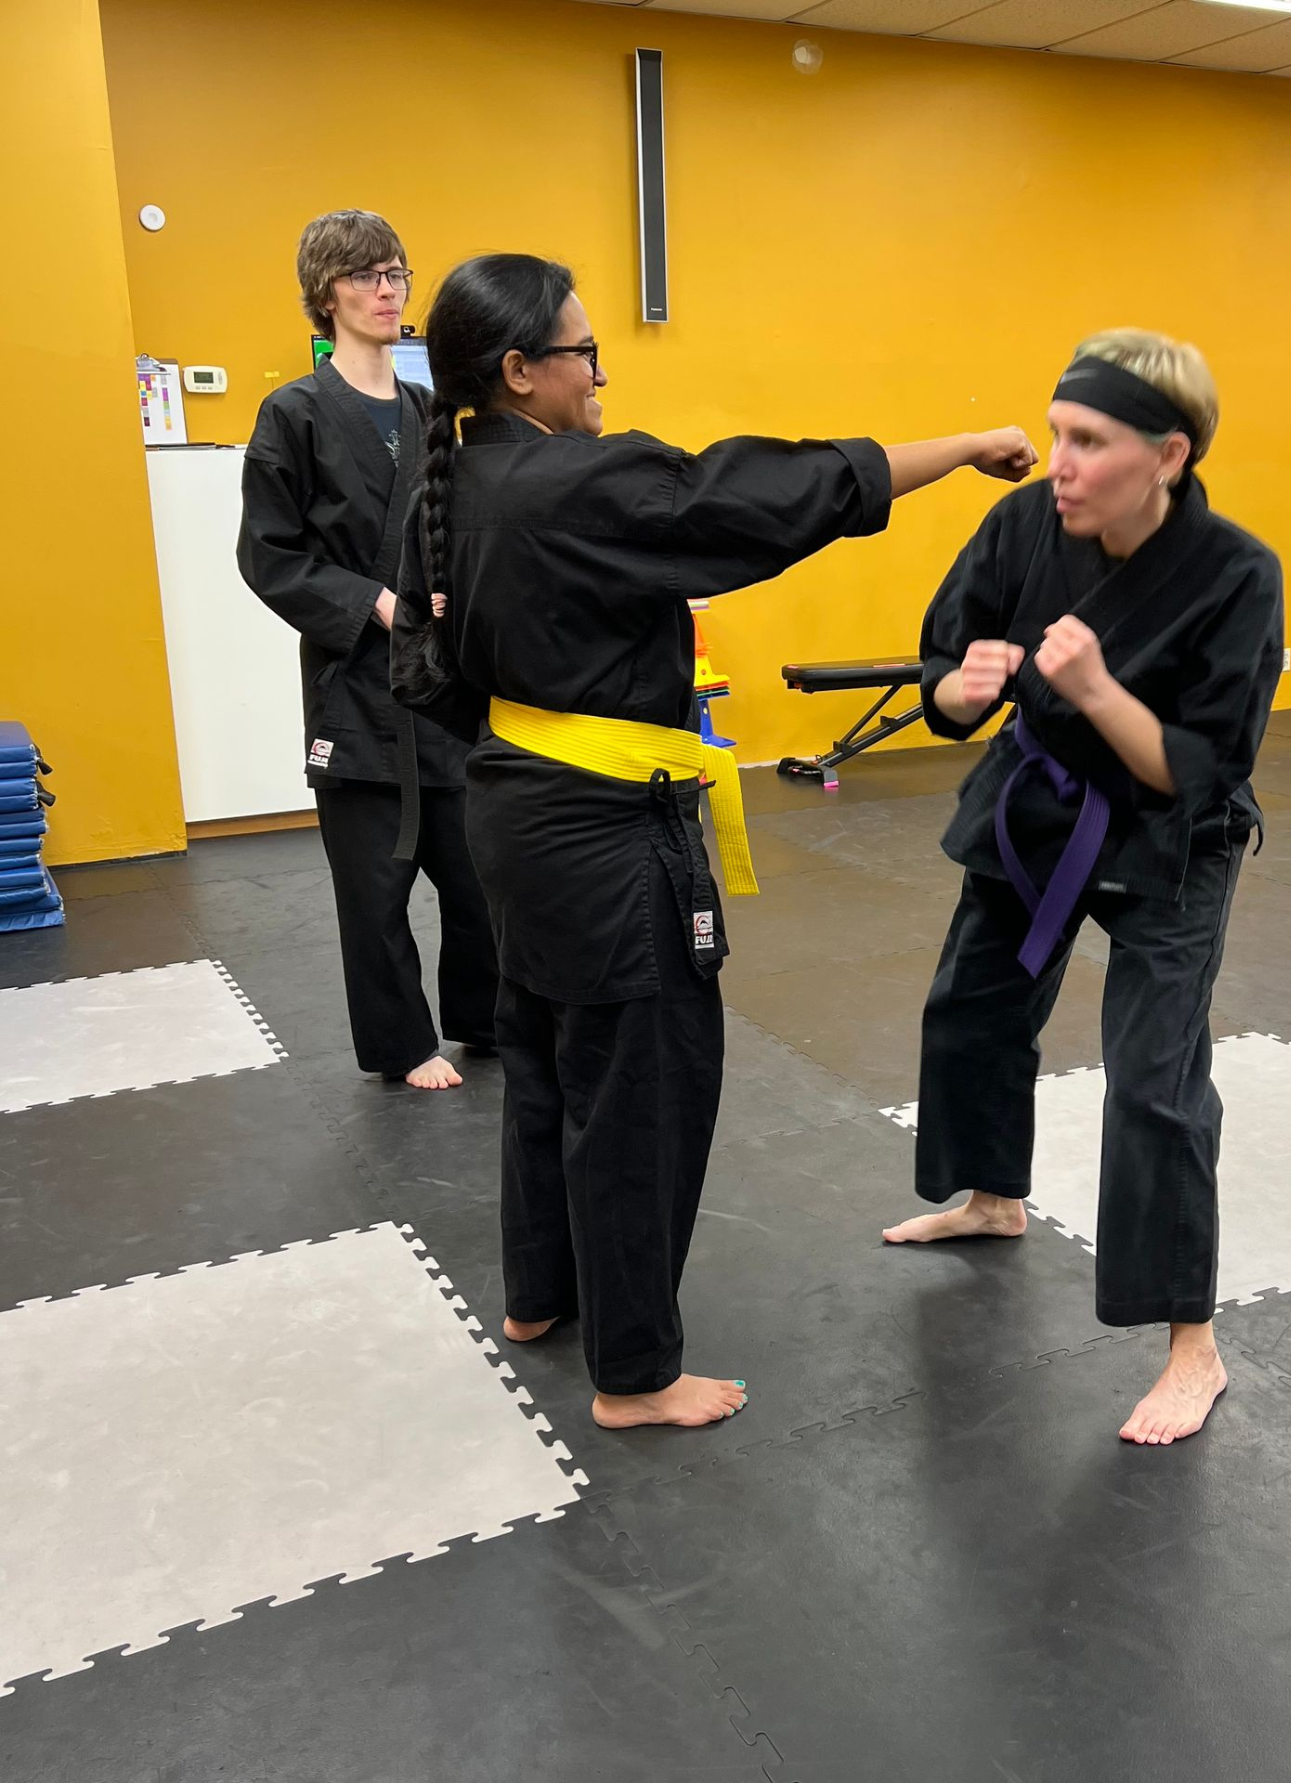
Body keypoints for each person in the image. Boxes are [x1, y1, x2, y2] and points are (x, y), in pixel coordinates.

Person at [390, 252, 1036, 1431]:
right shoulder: (572, 485)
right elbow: (761, 495)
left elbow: (421, 671)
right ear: (521, 370)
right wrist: (959, 448)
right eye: (582, 351)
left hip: (511, 810)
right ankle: (634, 1374)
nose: (598, 372)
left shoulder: (449, 486)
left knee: (540, 1059)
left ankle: (540, 1296)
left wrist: (538, 724)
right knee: (638, 1091)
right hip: (602, 832)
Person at [881, 329, 1284, 1448]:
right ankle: (990, 1195)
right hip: (1039, 805)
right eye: (1056, 433)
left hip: (1171, 834)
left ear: (1168, 454)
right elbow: (945, 675)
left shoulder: (1237, 574)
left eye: (1089, 441)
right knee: (972, 1003)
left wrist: (1099, 690)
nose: (1057, 461)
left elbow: (1197, 767)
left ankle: (1190, 1343)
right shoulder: (1023, 524)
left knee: (1155, 1080)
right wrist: (961, 693)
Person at [238, 209, 498, 1092]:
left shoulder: (431, 409)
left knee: (474, 874)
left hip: (439, 677)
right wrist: (376, 601)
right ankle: (403, 1043)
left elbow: (455, 523)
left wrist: (451, 589)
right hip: (355, 679)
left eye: (397, 275)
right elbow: (268, 555)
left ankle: (484, 1018)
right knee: (374, 888)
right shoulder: (295, 413)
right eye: (367, 277)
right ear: (327, 294)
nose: (388, 292)